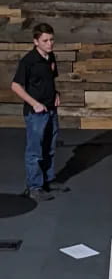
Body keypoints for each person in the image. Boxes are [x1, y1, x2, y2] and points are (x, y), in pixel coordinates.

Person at [11, 23, 67, 202]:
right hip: (36, 114)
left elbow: (49, 80)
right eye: (45, 41)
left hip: (51, 110)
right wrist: (34, 103)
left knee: (49, 147)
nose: (50, 43)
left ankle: (47, 180)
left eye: (51, 40)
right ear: (36, 41)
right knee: (35, 151)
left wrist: (56, 94)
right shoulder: (28, 61)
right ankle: (34, 186)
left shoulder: (50, 57)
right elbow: (15, 86)